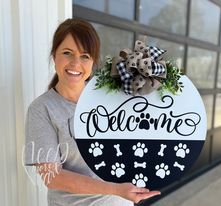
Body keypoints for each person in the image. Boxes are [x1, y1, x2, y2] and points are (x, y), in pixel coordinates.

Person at [24, 18, 160, 206]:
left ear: (93, 61)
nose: (75, 63)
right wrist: (115, 189)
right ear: (54, 56)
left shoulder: (110, 95)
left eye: (85, 56)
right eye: (67, 53)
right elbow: (52, 177)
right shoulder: (42, 109)